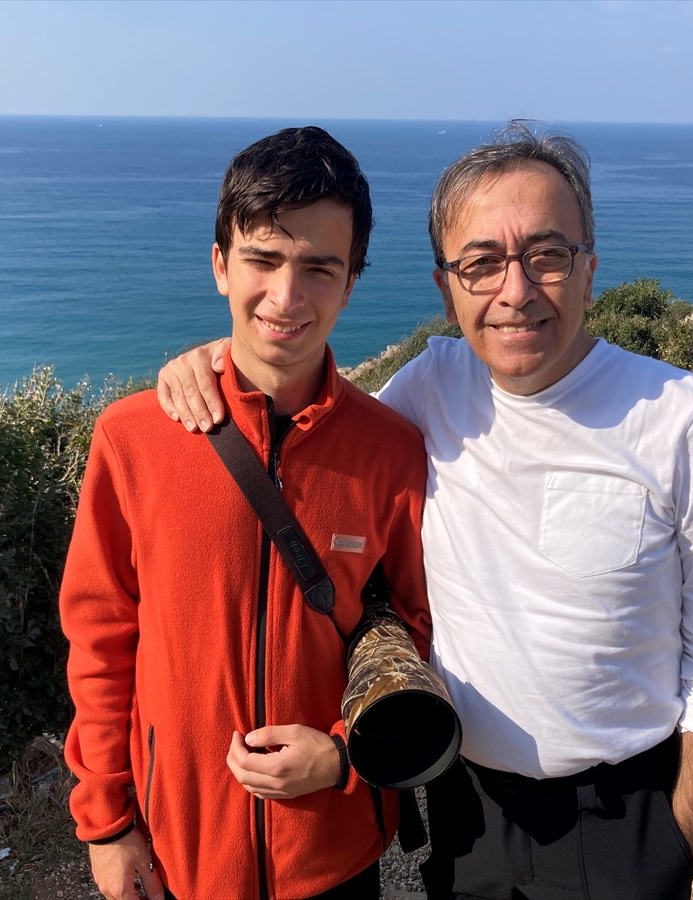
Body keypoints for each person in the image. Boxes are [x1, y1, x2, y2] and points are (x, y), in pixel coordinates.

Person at [157, 123, 693, 900]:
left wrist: (677, 844)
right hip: (462, 806)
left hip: (623, 815)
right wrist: (217, 362)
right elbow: (315, 432)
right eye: (481, 264)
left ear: (589, 270)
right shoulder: (428, 388)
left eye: (547, 255)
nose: (516, 291)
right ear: (447, 289)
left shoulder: (681, 419)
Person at [60, 126, 432, 900]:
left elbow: (420, 625)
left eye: (319, 268)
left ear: (350, 283)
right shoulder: (132, 439)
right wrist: (106, 823)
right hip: (179, 849)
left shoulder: (392, 450)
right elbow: (101, 640)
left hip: (334, 847)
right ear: (220, 265)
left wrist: (344, 753)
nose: (286, 297)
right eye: (262, 259)